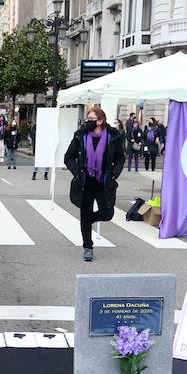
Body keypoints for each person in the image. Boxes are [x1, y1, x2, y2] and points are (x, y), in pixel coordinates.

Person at [64, 106, 125, 262]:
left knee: (107, 213)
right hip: (85, 182)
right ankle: (88, 247)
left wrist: (113, 176)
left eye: (92, 120)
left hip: (104, 182)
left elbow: (120, 159)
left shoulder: (113, 136)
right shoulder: (80, 136)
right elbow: (68, 157)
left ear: (100, 120)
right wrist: (77, 173)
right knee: (85, 213)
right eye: (87, 119)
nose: (88, 122)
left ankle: (89, 219)